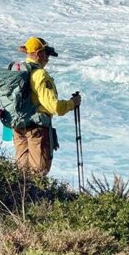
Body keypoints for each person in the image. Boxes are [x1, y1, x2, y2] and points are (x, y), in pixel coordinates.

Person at [14, 36, 81, 175]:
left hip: (18, 127)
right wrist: (72, 103)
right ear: (39, 54)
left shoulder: (18, 70)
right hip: (36, 129)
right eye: (45, 53)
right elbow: (54, 107)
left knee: (22, 171)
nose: (47, 58)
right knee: (39, 171)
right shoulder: (40, 75)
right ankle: (36, 196)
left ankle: (21, 195)